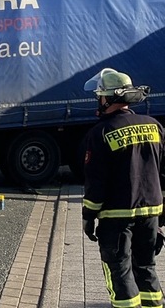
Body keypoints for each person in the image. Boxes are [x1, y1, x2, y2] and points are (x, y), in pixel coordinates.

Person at [81, 68, 165, 308]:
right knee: (146, 268)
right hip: (151, 214)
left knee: (120, 273)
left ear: (109, 98)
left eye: (100, 96)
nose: (99, 101)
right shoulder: (154, 126)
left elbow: (95, 182)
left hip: (116, 217)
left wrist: (88, 217)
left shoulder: (101, 133)